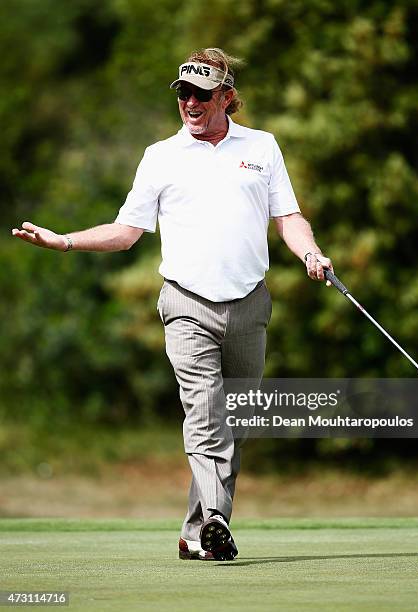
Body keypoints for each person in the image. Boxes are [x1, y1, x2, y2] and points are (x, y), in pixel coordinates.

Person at [12, 48, 333, 561]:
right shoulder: (161, 155)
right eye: (183, 92)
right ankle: (216, 521)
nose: (190, 102)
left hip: (250, 303)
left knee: (237, 421)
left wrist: (311, 252)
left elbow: (288, 216)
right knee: (204, 414)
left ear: (227, 97)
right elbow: (127, 232)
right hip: (186, 303)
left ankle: (193, 533)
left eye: (202, 94)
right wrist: (65, 241)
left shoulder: (263, 147)